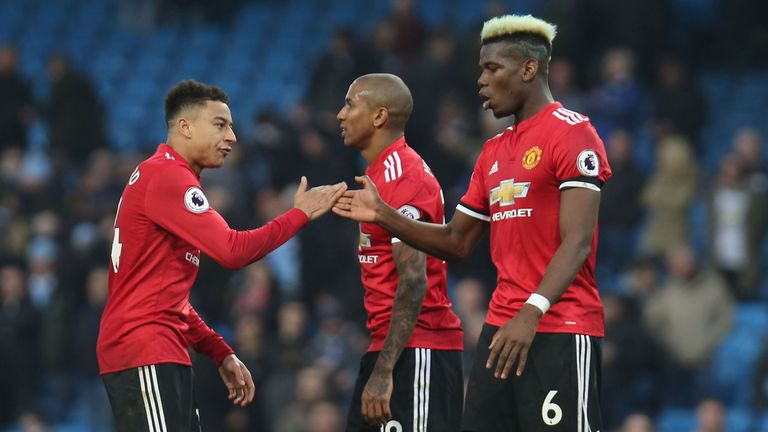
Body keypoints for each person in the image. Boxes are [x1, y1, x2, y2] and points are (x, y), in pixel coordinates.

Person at [334, 15, 611, 431]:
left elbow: (577, 243)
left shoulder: (573, 134)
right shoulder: (493, 151)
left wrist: (531, 312)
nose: (480, 80)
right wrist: (384, 216)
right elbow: (455, 241)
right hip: (500, 331)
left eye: (492, 69)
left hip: (559, 326)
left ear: (529, 69)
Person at [97, 80, 347, 431]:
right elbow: (232, 251)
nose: (232, 137)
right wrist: (299, 215)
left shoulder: (162, 175)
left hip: (155, 346)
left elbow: (169, 298)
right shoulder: (169, 177)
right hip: (145, 347)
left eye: (230, 126)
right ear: (185, 127)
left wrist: (218, 350)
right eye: (220, 125)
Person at [336, 73, 464, 431]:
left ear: (379, 116)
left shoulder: (405, 177)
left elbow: (413, 280)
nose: (340, 115)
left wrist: (384, 370)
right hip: (389, 349)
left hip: (418, 352)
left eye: (349, 104)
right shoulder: (379, 175)